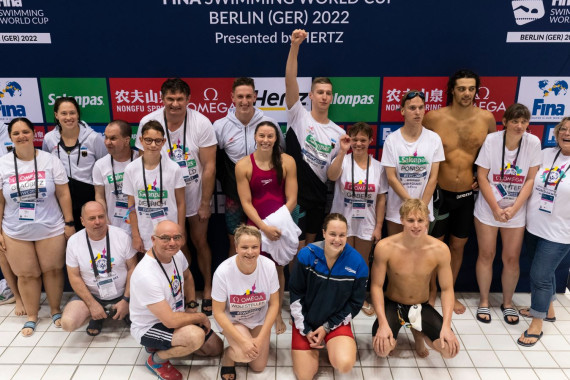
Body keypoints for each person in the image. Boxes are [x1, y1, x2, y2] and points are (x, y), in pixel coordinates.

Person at [136, 78, 218, 316]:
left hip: (193, 193)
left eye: (180, 99)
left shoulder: (201, 123)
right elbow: (144, 165)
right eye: (170, 99)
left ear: (188, 100)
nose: (175, 104)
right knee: (176, 248)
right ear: (162, 99)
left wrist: (205, 202)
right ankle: (182, 290)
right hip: (163, 200)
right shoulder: (148, 122)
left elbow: (209, 166)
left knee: (200, 242)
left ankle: (208, 289)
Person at [423, 70, 496, 313]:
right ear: (452, 90)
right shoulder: (433, 118)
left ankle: (449, 293)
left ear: (477, 90)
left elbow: (493, 156)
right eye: (462, 88)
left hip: (467, 194)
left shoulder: (486, 119)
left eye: (471, 89)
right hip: (439, 193)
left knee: (457, 246)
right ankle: (431, 292)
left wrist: (480, 176)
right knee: (435, 245)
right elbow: (418, 149)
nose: (467, 93)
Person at [0, 117, 74, 336]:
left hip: (50, 227)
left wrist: (69, 223)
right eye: (16, 133)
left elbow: (63, 193)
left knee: (52, 270)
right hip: (15, 230)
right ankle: (32, 316)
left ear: (34, 134)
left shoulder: (50, 161)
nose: (21, 136)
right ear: (11, 137)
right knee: (26, 274)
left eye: (26, 132)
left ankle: (54, 310)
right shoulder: (3, 164)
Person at [129, 220, 223, 380]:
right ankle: (157, 360)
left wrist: (192, 305)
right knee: (195, 337)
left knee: (216, 348)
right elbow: (170, 321)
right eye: (165, 238)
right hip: (150, 325)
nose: (172, 243)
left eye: (176, 237)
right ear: (153, 240)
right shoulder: (146, 274)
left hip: (174, 315)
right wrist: (199, 316)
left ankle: (167, 344)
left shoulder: (176, 254)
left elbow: (187, 276)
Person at [474, 103, 541, 325]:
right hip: (488, 207)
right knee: (487, 254)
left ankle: (508, 303)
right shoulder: (492, 141)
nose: (519, 126)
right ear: (505, 122)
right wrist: (495, 208)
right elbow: (482, 176)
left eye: (523, 122)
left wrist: (514, 208)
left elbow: (531, 179)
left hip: (516, 209)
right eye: (515, 121)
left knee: (511, 258)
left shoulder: (533, 143)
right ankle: (484, 301)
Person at [371, 199, 460, 359]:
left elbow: (447, 289)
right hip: (393, 304)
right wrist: (383, 324)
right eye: (411, 220)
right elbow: (376, 286)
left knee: (449, 351)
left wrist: (446, 326)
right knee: (382, 350)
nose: (416, 226)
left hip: (421, 305)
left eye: (420, 220)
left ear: (428, 220)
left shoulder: (440, 250)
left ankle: (418, 332)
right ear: (402, 220)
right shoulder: (385, 247)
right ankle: (399, 334)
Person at [285, 29, 348, 247]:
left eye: (328, 93)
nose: (324, 96)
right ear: (311, 95)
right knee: (296, 246)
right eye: (319, 92)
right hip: (296, 197)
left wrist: (341, 153)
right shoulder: (298, 115)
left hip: (319, 198)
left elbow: (332, 176)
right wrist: (295, 47)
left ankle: (307, 282)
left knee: (312, 247)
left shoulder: (338, 134)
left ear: (332, 98)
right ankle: (294, 283)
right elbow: (290, 79)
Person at [235, 121, 297, 334]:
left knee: (276, 269)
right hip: (255, 225)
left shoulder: (287, 162)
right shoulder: (243, 165)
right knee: (254, 267)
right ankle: (255, 310)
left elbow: (292, 199)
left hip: (280, 225)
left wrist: (275, 225)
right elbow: (246, 203)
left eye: (270, 136)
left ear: (276, 139)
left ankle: (277, 312)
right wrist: (263, 228)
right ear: (255, 137)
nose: (266, 140)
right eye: (262, 135)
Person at [289, 213, 368, 380]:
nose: (337, 240)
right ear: (324, 233)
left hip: (334, 321)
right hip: (306, 321)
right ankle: (313, 346)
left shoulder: (357, 264)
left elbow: (355, 304)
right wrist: (306, 329)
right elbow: (296, 294)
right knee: (305, 375)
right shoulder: (307, 255)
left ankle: (331, 344)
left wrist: (326, 327)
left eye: (342, 235)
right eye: (332, 234)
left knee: (344, 364)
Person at [214, 77, 282, 257]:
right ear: (232, 98)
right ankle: (234, 283)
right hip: (234, 197)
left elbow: (280, 157)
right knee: (235, 242)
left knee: (264, 241)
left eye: (248, 96)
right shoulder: (220, 126)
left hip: (263, 196)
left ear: (255, 97)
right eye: (240, 96)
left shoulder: (269, 124)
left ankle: (263, 284)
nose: (244, 101)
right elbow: (215, 163)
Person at [518, 117, 570, 346]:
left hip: (560, 232)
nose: (567, 133)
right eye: (564, 129)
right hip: (534, 226)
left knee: (539, 275)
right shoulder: (547, 153)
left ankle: (537, 324)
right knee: (544, 272)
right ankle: (547, 309)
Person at [328, 121, 388, 316]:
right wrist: (342, 151)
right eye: (355, 139)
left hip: (367, 222)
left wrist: (378, 226)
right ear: (349, 140)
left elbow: (381, 199)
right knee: (339, 259)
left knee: (362, 262)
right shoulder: (343, 161)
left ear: (371, 141)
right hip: (342, 221)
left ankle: (359, 297)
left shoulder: (378, 167)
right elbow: (331, 176)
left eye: (363, 140)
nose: (359, 143)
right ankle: (340, 296)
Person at [212, 225, 279, 380]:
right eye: (244, 247)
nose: (250, 252)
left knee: (258, 367)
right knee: (245, 354)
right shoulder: (223, 272)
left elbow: (274, 304)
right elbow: (218, 312)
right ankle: (229, 355)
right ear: (236, 247)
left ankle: (246, 343)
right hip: (234, 320)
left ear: (260, 247)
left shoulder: (268, 266)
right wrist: (243, 341)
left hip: (258, 319)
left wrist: (261, 337)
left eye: (255, 247)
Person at [61, 201, 137, 336]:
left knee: (149, 312)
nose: (98, 222)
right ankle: (96, 315)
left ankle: (125, 310)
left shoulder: (122, 236)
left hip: (123, 294)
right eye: (92, 218)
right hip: (93, 295)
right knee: (68, 323)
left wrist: (126, 299)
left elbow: (133, 269)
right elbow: (74, 276)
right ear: (82, 221)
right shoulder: (74, 241)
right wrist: (91, 304)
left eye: (101, 217)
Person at [381, 90, 444, 236]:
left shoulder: (434, 139)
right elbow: (391, 177)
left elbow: (433, 178)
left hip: (423, 209)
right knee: (396, 254)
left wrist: (421, 208)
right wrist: (411, 205)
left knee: (418, 256)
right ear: (402, 110)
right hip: (397, 209)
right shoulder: (392, 140)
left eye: (421, 108)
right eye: (412, 108)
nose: (417, 112)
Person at [42, 97, 106, 231]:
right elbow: (45, 166)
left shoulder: (94, 138)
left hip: (88, 195)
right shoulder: (49, 139)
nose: (68, 117)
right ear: (56, 115)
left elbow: (104, 167)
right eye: (64, 113)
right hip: (61, 197)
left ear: (78, 114)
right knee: (67, 237)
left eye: (72, 113)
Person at [123, 121, 187, 251]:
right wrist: (135, 235)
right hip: (145, 229)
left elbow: (181, 203)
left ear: (163, 142)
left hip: (170, 229)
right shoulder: (131, 169)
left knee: (174, 264)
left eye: (158, 141)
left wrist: (181, 231)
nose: (153, 145)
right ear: (141, 140)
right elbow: (131, 205)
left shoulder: (174, 168)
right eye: (148, 140)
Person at [93, 120, 137, 234]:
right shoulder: (100, 165)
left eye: (113, 138)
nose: (107, 142)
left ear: (127, 140)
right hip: (114, 226)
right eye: (106, 137)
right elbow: (99, 195)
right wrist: (105, 220)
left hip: (140, 224)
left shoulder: (140, 160)